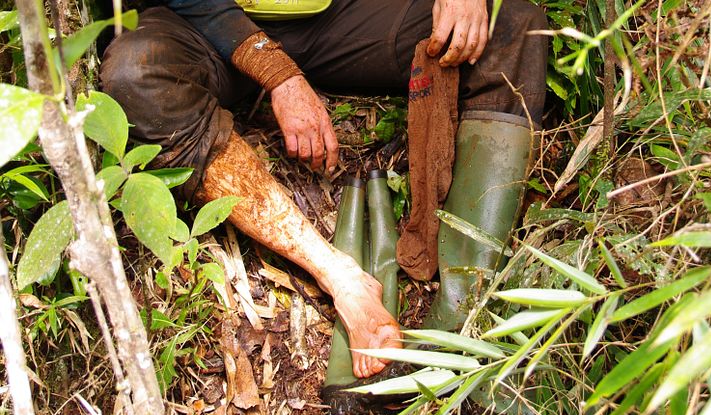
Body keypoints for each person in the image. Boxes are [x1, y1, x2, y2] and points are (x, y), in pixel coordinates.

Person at [100, 0, 548, 380]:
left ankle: (462, 310)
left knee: (512, 22)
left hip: (338, 16)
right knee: (134, 75)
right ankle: (340, 274)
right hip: (210, 25)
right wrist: (279, 74)